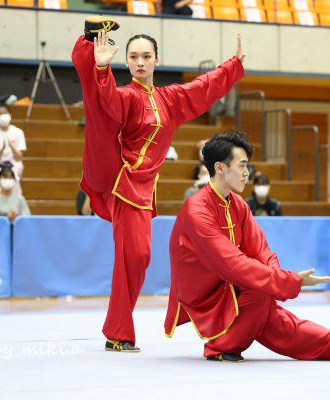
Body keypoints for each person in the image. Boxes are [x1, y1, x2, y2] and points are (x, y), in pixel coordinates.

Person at [71, 16, 245, 352]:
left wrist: (234, 65)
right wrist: (101, 70)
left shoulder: (171, 99)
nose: (139, 62)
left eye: (146, 56)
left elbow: (205, 87)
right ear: (126, 61)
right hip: (123, 183)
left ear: (157, 60)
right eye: (133, 57)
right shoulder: (125, 96)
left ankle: (116, 330)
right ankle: (117, 332)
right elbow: (103, 103)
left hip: (145, 189)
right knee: (132, 257)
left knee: (139, 257)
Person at [164, 132, 330, 362]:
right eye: (242, 166)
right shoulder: (196, 211)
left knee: (281, 324)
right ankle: (221, 346)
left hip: (232, 285)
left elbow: (262, 251)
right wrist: (289, 282)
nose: (247, 173)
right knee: (260, 289)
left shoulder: (238, 204)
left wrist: (277, 280)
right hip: (207, 293)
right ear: (220, 168)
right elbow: (232, 264)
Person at [0, 106, 26, 195]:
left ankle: (16, 202)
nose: (2, 116)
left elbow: (19, 156)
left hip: (14, 164)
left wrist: (11, 147)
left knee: (13, 176)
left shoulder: (18, 132)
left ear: (9, 115)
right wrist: (2, 149)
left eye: (4, 113)